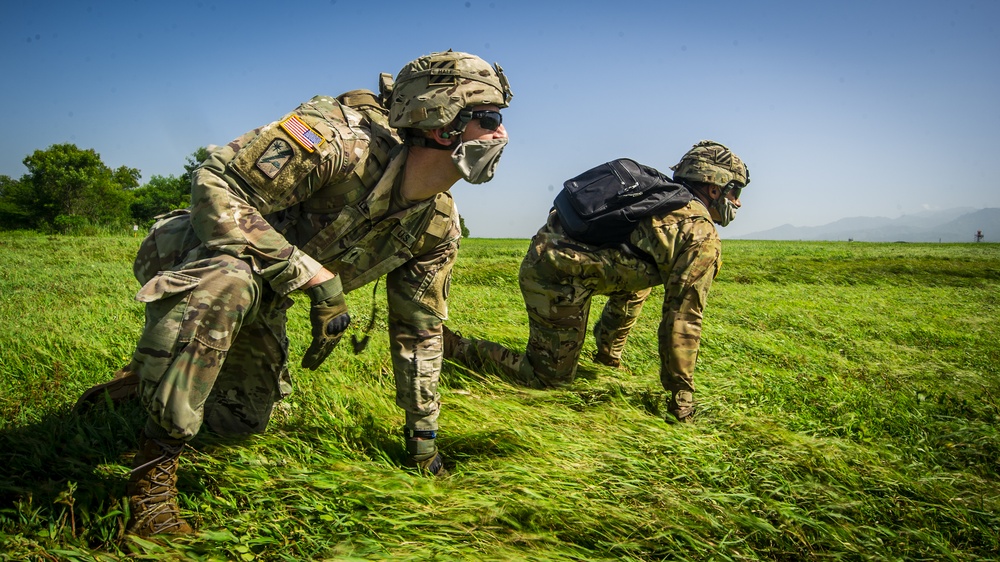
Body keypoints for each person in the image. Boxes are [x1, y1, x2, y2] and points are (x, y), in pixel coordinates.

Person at [75, 50, 512, 536]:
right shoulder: (337, 141)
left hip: (269, 292)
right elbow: (215, 184)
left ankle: (143, 384)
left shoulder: (436, 226)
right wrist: (311, 274)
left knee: (238, 423)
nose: (501, 135)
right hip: (200, 255)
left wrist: (424, 441)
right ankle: (150, 481)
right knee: (230, 279)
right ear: (441, 123)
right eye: (489, 119)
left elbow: (420, 335)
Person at [444, 140, 748, 424]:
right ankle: (452, 346)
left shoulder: (664, 200)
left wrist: (611, 357)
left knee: (639, 283)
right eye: (735, 193)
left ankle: (607, 357)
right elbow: (683, 320)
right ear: (714, 188)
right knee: (548, 380)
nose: (738, 203)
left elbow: (636, 276)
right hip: (556, 276)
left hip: (562, 259)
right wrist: (682, 397)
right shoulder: (700, 234)